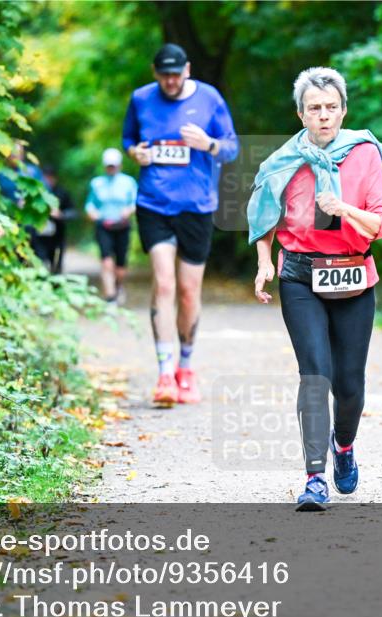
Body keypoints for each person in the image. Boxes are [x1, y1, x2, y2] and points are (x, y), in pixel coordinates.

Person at [248, 67, 382, 510]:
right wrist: (263, 262)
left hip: (353, 274)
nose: (324, 116)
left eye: (332, 108)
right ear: (301, 113)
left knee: (348, 385)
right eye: (315, 108)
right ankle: (314, 478)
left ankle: (343, 447)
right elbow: (264, 215)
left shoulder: (364, 154)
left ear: (344, 111)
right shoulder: (283, 161)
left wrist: (344, 208)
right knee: (315, 375)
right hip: (300, 278)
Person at [122, 43, 239, 406]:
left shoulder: (209, 98)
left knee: (189, 291)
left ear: (187, 69)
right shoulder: (141, 99)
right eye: (164, 75)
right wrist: (135, 153)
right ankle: (164, 373)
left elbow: (232, 147)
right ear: (155, 72)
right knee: (164, 284)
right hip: (154, 203)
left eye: (176, 73)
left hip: (196, 206)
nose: (170, 81)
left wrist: (208, 144)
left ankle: (186, 369)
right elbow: (129, 139)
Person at [84, 148, 137, 304]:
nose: (111, 169)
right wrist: (92, 213)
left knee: (120, 265)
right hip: (103, 225)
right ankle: (110, 296)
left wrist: (129, 210)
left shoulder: (129, 182)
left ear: (119, 165)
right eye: (108, 166)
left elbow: (135, 202)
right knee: (106, 261)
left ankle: (118, 285)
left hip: (122, 226)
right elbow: (90, 204)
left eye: (113, 166)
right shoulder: (97, 183)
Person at [0, 142, 52, 266]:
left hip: (31, 221)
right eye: (12, 154)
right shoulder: (0, 174)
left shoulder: (32, 171)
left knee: (36, 252)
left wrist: (31, 203)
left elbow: (45, 193)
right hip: (9, 220)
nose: (16, 157)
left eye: (18, 154)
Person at [43, 166, 78, 274]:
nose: (48, 181)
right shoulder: (36, 193)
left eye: (50, 178)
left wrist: (61, 215)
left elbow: (73, 212)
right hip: (40, 236)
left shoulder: (62, 193)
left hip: (58, 234)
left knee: (57, 262)